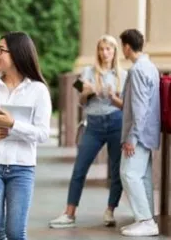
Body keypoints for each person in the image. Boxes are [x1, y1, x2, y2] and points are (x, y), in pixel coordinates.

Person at [0, 32, 52, 240]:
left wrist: (13, 124)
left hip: (22, 168)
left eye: (1, 50)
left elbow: (43, 134)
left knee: (16, 233)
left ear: (16, 54)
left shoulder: (38, 90)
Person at [49, 35, 127, 229]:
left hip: (116, 123)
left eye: (108, 49)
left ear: (115, 51)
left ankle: (110, 210)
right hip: (93, 125)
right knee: (79, 168)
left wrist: (111, 96)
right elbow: (80, 102)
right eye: (101, 49)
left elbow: (126, 106)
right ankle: (69, 213)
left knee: (117, 170)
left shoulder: (124, 75)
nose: (104, 53)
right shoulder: (86, 72)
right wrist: (86, 92)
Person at [118, 29, 160, 237]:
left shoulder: (137, 70)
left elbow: (140, 108)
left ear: (127, 46)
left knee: (129, 174)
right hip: (148, 133)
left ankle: (145, 220)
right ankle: (145, 219)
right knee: (141, 177)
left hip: (139, 135)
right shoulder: (150, 67)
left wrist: (131, 138)